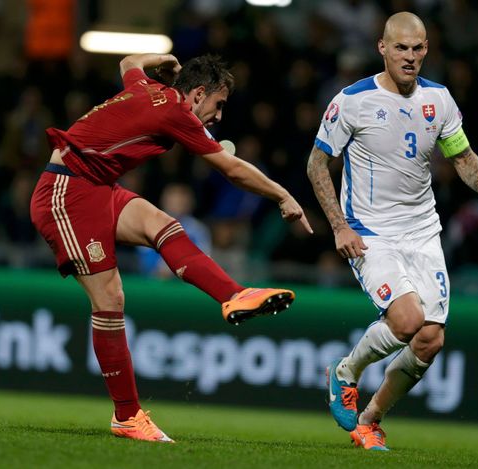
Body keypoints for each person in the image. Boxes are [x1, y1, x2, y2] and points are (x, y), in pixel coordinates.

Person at [30, 53, 313, 443]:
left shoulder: (149, 87)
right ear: (198, 94)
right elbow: (230, 168)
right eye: (218, 104)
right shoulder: (176, 114)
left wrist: (162, 60)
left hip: (95, 187)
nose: (219, 116)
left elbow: (129, 62)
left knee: (161, 224)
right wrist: (282, 195)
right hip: (66, 192)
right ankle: (127, 416)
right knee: (109, 298)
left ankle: (233, 295)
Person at [307, 12, 478, 451]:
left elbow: (460, 154)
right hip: (371, 231)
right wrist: (340, 227)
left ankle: (371, 419)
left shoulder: (439, 100)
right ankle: (345, 372)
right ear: (382, 48)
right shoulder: (352, 100)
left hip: (423, 231)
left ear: (427, 49)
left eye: (417, 48)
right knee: (406, 321)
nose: (409, 56)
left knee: (431, 339)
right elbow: (316, 165)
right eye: (400, 47)